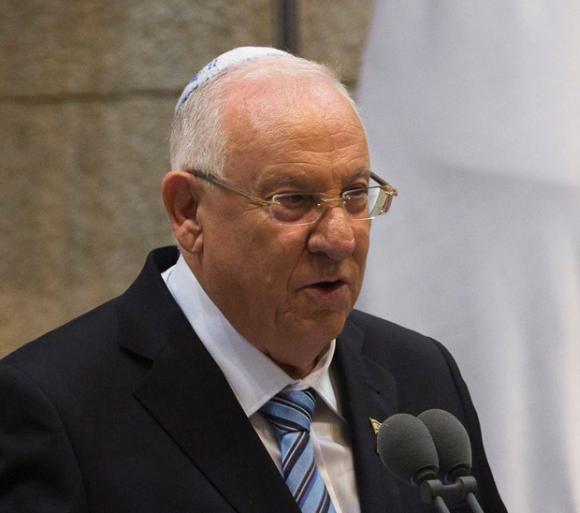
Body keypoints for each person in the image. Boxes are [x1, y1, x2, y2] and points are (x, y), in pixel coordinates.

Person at [0, 47, 507, 513]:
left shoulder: (420, 372)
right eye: (293, 200)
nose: (338, 238)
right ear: (189, 211)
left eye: (355, 194)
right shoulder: (52, 407)